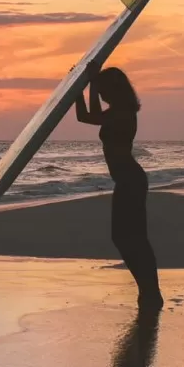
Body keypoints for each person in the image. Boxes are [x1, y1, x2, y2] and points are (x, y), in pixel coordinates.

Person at [74, 65, 164, 307]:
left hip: (131, 181)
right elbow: (84, 116)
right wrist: (80, 89)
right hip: (127, 181)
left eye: (103, 90)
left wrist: (88, 84)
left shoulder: (122, 113)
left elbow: (89, 115)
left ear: (113, 90)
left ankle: (151, 292)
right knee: (128, 238)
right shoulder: (117, 111)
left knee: (132, 238)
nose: (101, 95)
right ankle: (148, 291)